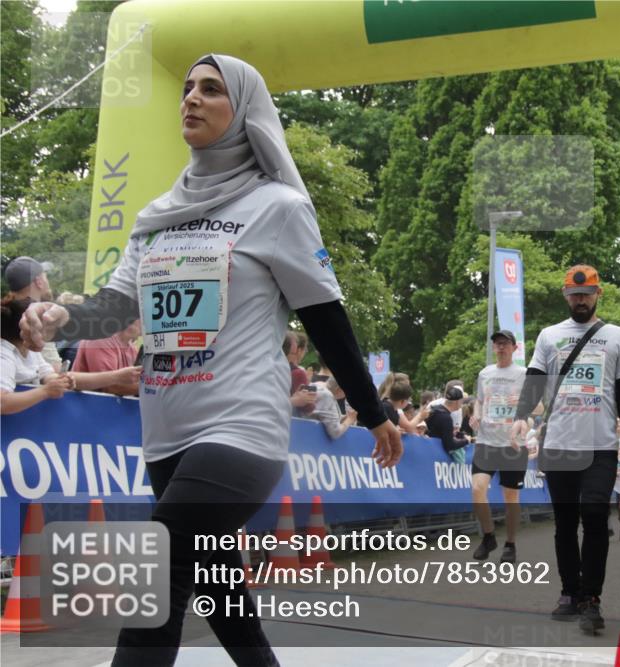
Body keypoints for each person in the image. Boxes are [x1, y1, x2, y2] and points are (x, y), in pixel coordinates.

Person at [18, 54, 401, 667]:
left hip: (240, 426)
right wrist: (63, 317)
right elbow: (116, 306)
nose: (190, 98)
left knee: (155, 584)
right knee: (223, 597)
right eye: (188, 88)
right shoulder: (155, 216)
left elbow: (326, 317)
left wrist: (373, 408)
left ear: (244, 110)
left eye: (211, 90)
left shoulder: (278, 206)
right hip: (166, 432)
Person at [510, 264, 620, 635]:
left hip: (600, 444)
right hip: (560, 443)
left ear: (598, 295)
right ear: (565, 296)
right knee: (565, 523)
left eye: (586, 294)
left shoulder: (618, 337)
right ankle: (569, 592)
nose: (579, 300)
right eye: (573, 294)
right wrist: (522, 416)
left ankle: (591, 599)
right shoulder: (550, 336)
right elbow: (535, 379)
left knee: (594, 512)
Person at [2, 298, 141, 414]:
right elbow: (2, 403)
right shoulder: (4, 355)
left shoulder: (31, 352)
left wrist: (63, 381)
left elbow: (49, 376)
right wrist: (45, 391)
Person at [468, 330, 527, 564]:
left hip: (513, 444)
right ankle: (489, 535)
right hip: (486, 441)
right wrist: (476, 415)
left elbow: (539, 407)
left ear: (515, 348)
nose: (500, 347)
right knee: (477, 489)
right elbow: (479, 401)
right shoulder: (485, 373)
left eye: (505, 343)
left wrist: (522, 413)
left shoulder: (524, 374)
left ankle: (510, 544)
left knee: (511, 496)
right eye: (497, 344)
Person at [3, 256, 62, 369]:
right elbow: (55, 369)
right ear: (39, 282)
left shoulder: (6, 313)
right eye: (46, 277)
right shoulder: (38, 318)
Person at [72, 318, 143, 396]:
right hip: (86, 404)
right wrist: (151, 388)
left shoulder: (132, 349)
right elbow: (110, 387)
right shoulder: (100, 339)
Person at [426, 385, 469, 462]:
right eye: (461, 401)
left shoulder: (435, 409)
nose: (462, 404)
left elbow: (438, 432)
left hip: (429, 451)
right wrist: (466, 441)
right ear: (457, 402)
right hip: (436, 457)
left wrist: (457, 434)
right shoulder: (446, 418)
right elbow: (450, 445)